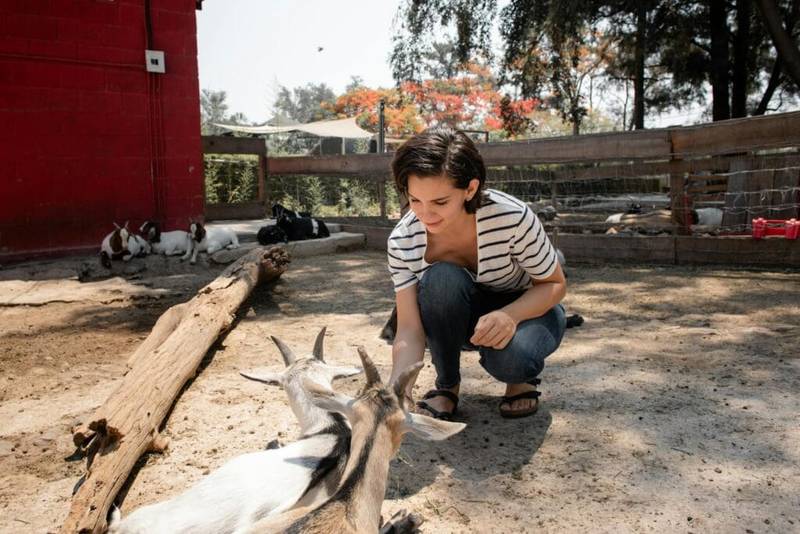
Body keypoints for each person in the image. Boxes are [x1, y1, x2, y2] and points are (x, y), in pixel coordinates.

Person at [386, 127, 567, 420]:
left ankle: (519, 380)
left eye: (440, 202)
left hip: (530, 310)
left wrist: (511, 315)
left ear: (470, 189)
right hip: (465, 321)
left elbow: (555, 284)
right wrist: (399, 388)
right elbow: (409, 328)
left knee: (511, 358)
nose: (424, 214)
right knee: (440, 278)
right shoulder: (402, 239)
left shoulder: (512, 217)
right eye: (415, 200)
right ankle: (447, 387)